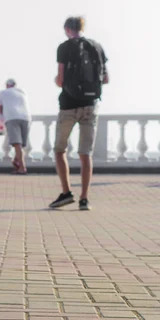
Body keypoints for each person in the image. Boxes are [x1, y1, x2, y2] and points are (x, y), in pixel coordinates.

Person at [49, 16, 109, 210]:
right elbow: (106, 78)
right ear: (82, 27)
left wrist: (58, 81)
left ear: (67, 29)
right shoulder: (97, 47)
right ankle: (84, 199)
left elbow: (60, 79)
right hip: (91, 105)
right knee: (86, 154)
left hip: (69, 104)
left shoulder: (64, 47)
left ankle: (66, 193)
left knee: (60, 150)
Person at [0, 78, 31, 174]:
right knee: (21, 144)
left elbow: (0, 108)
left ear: (7, 85)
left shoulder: (3, 92)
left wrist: (2, 117)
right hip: (26, 117)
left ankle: (22, 168)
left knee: (17, 144)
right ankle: (16, 162)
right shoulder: (22, 91)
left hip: (12, 117)